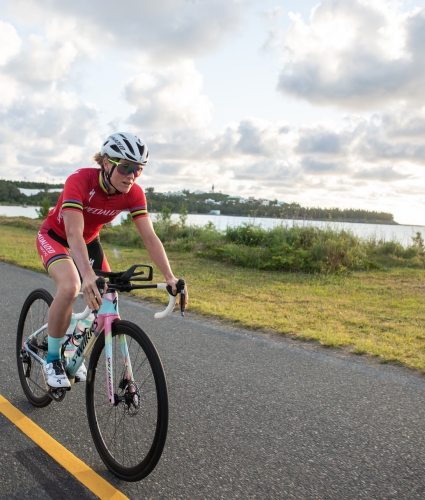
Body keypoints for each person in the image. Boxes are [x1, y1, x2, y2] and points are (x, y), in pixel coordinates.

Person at [36, 132, 188, 388]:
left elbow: (149, 238)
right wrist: (86, 275)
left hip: (88, 241)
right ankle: (52, 359)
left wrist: (170, 277)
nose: (131, 175)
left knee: (108, 296)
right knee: (72, 286)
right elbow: (73, 233)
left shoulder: (133, 193)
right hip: (56, 237)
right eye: (125, 167)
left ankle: (73, 348)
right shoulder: (79, 180)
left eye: (137, 170)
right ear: (106, 163)